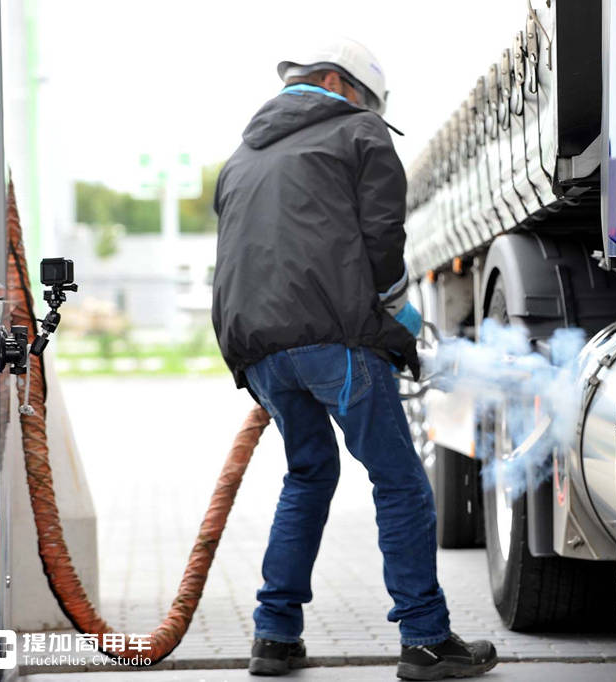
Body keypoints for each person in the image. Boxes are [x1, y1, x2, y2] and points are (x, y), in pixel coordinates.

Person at [211, 38, 498, 680]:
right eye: (367, 99)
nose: (369, 111)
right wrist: (400, 319)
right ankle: (426, 639)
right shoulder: (361, 133)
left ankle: (275, 636)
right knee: (399, 482)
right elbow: (382, 241)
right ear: (338, 83)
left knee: (308, 475)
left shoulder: (240, 160)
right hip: (336, 341)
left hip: (258, 353)